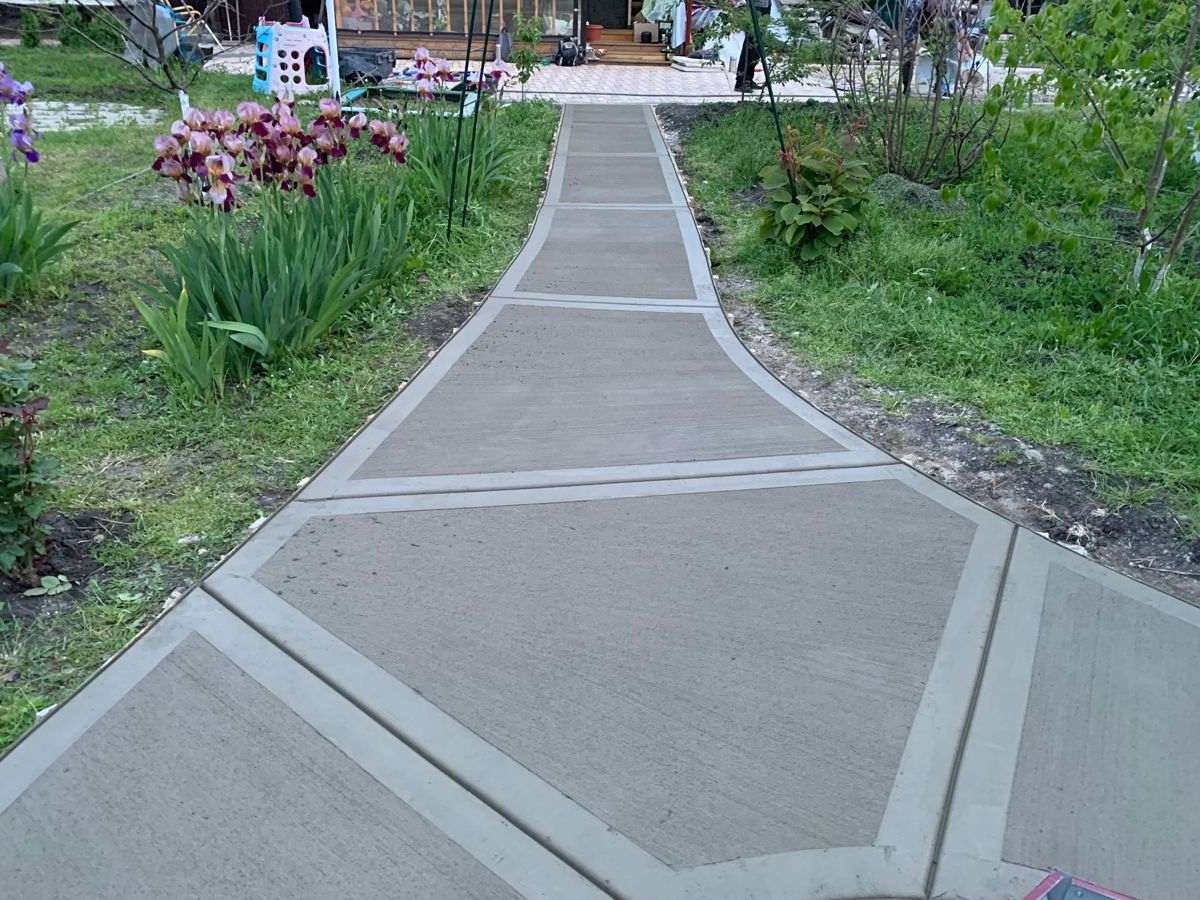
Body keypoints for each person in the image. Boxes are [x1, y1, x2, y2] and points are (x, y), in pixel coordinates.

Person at [734, 0, 772, 93]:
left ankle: (748, 79)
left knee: (758, 44)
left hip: (765, 4)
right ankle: (741, 81)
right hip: (755, 5)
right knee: (750, 43)